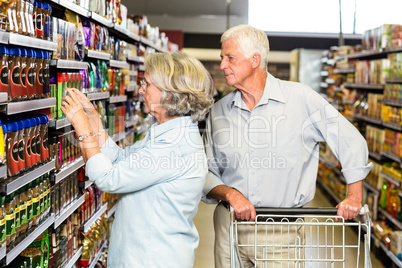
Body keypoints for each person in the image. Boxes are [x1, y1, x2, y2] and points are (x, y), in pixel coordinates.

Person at [202, 24, 373, 267]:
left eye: (229, 58)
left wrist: (354, 196)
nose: (221, 65)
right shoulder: (219, 111)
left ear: (254, 60)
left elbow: (350, 139)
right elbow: (206, 171)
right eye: (222, 58)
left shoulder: (301, 99)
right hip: (228, 229)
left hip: (280, 234)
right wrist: (230, 194)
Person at [61, 51, 214, 267]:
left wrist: (83, 130)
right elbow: (122, 160)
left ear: (169, 94)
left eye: (147, 84)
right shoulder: (166, 132)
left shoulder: (172, 146)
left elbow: (109, 178)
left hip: (152, 259)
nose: (141, 89)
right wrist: (94, 122)